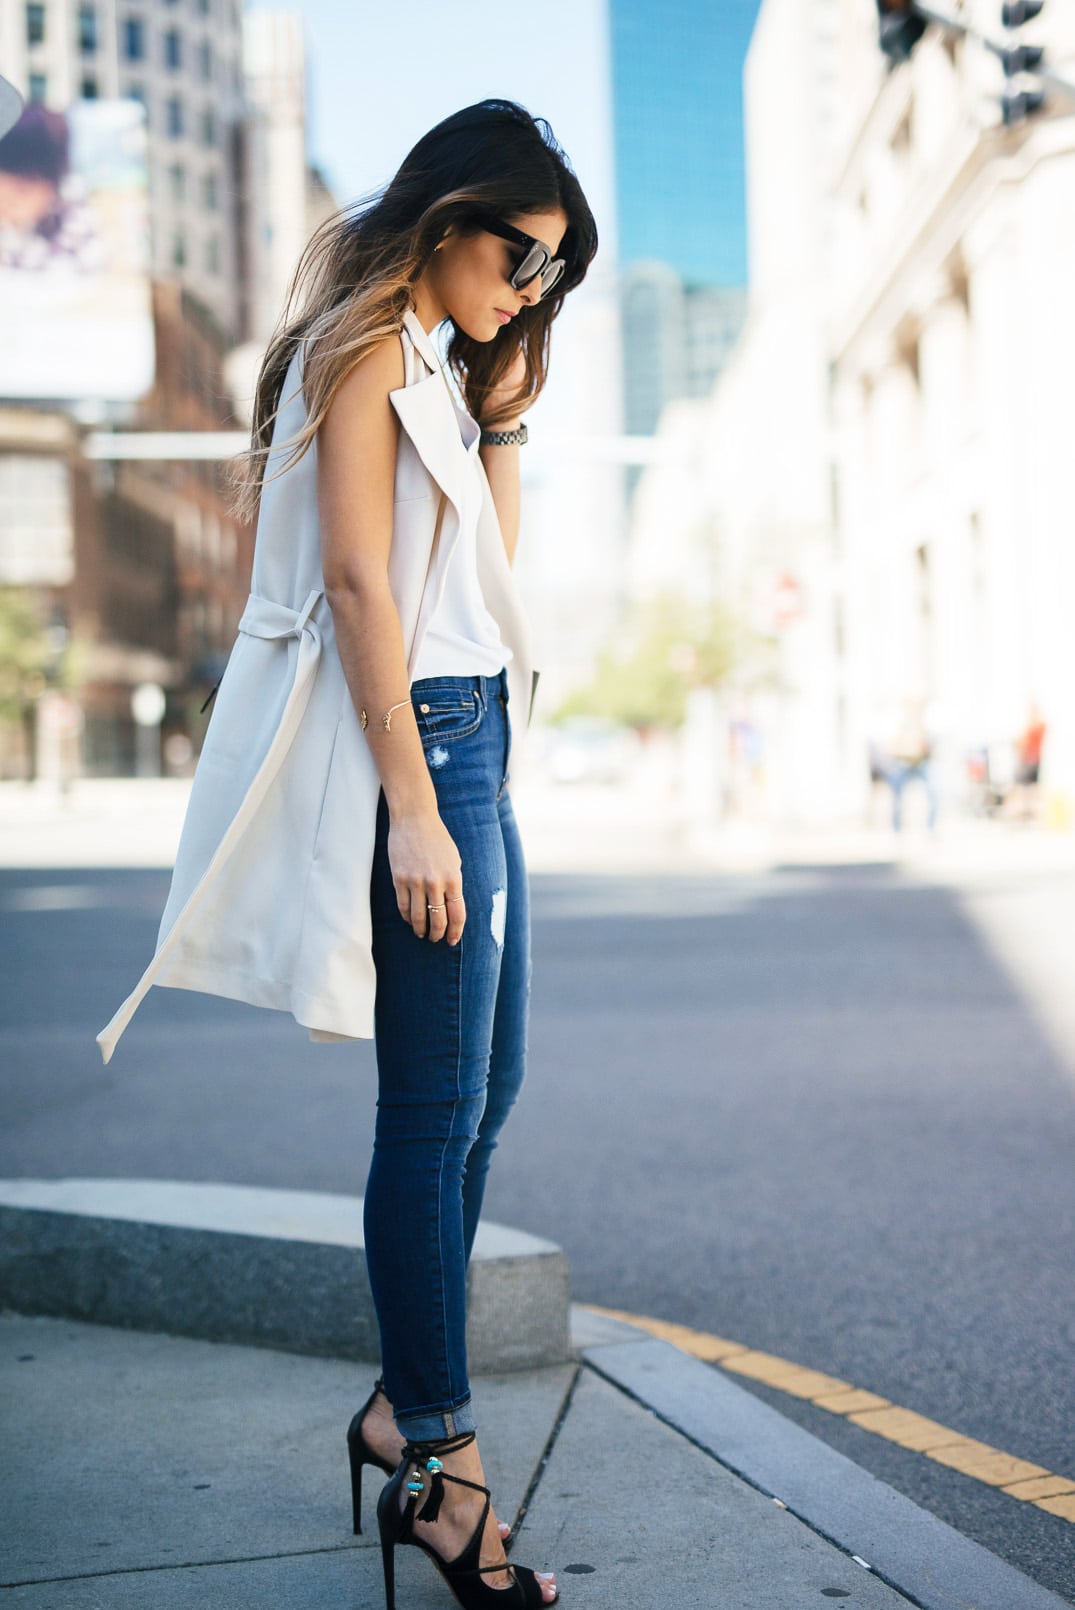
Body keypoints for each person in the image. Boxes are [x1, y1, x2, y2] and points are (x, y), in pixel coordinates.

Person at [97, 99, 598, 1607]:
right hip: (425, 746)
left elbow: (482, 570)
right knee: (430, 1105)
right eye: (522, 254)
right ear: (447, 216)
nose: (529, 288)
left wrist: (503, 404)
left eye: (553, 275)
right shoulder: (362, 346)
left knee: (482, 1093)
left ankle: (401, 1404)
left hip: (474, 732)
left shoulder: (437, 363)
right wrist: (415, 802)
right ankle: (443, 1465)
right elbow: (361, 586)